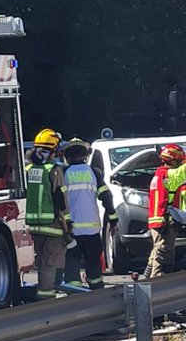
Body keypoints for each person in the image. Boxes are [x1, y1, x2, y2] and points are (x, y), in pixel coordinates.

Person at [63, 138, 118, 290]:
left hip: (71, 230)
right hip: (92, 230)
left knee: (72, 264)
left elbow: (57, 201)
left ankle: (73, 294)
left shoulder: (63, 173)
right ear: (85, 155)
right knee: (93, 263)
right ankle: (96, 294)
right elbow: (107, 197)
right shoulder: (94, 173)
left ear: (67, 156)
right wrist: (113, 221)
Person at [25, 128, 73, 299]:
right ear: (53, 150)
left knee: (42, 263)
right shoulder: (53, 169)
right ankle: (47, 302)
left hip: (34, 227)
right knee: (49, 264)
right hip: (52, 225)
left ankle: (43, 296)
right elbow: (60, 199)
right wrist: (69, 225)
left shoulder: (28, 169)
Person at [148, 142, 186, 277]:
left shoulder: (159, 174)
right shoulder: (170, 175)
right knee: (164, 255)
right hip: (164, 222)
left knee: (157, 253)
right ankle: (157, 287)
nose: (181, 164)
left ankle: (147, 279)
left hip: (156, 220)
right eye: (179, 162)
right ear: (174, 161)